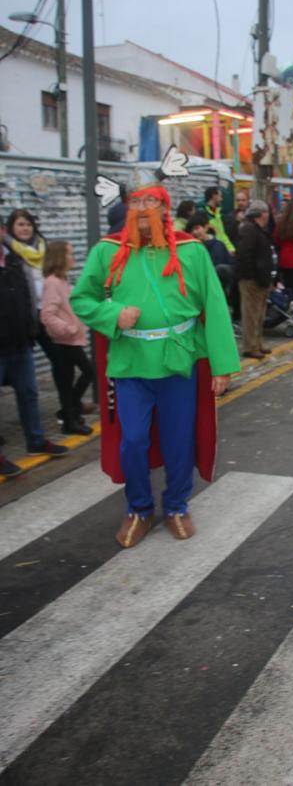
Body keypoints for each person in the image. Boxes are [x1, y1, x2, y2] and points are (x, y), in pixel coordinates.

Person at [70, 183, 240, 548]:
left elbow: (213, 304)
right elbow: (82, 298)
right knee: (132, 441)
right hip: (130, 363)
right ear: (127, 207)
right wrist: (113, 314)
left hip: (179, 361)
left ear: (165, 208)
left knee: (179, 440)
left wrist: (223, 365)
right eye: (136, 201)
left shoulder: (192, 251)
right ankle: (139, 509)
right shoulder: (107, 251)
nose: (142, 207)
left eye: (151, 200)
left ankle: (177, 506)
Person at [0, 215, 68, 477]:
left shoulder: (15, 259)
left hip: (20, 343)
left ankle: (36, 441)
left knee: (29, 394)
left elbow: (29, 295)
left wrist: (30, 330)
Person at [41, 241, 95, 436]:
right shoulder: (52, 283)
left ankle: (69, 416)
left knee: (68, 379)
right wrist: (69, 329)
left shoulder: (62, 281)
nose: (73, 258)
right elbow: (47, 315)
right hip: (64, 340)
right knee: (87, 371)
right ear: (59, 258)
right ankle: (69, 414)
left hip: (71, 339)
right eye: (69, 254)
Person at [234, 201, 274, 360]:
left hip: (260, 278)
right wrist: (253, 274)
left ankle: (257, 343)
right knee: (251, 314)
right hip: (251, 279)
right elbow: (244, 255)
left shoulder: (256, 229)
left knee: (259, 314)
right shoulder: (249, 229)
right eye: (266, 212)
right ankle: (250, 346)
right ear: (261, 214)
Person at [185, 212, 234, 298]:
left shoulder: (219, 245)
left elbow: (229, 268)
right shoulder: (191, 248)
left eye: (197, 228)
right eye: (192, 230)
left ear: (206, 227)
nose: (195, 232)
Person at [273, 197, 293, 305]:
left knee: (286, 285)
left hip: (283, 257)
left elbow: (276, 238)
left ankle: (286, 304)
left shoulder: (281, 222)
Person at [198, 186, 235, 254]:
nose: (222, 199)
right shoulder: (202, 213)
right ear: (214, 196)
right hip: (211, 251)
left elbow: (222, 235)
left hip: (221, 249)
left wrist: (231, 249)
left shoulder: (217, 213)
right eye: (220, 196)